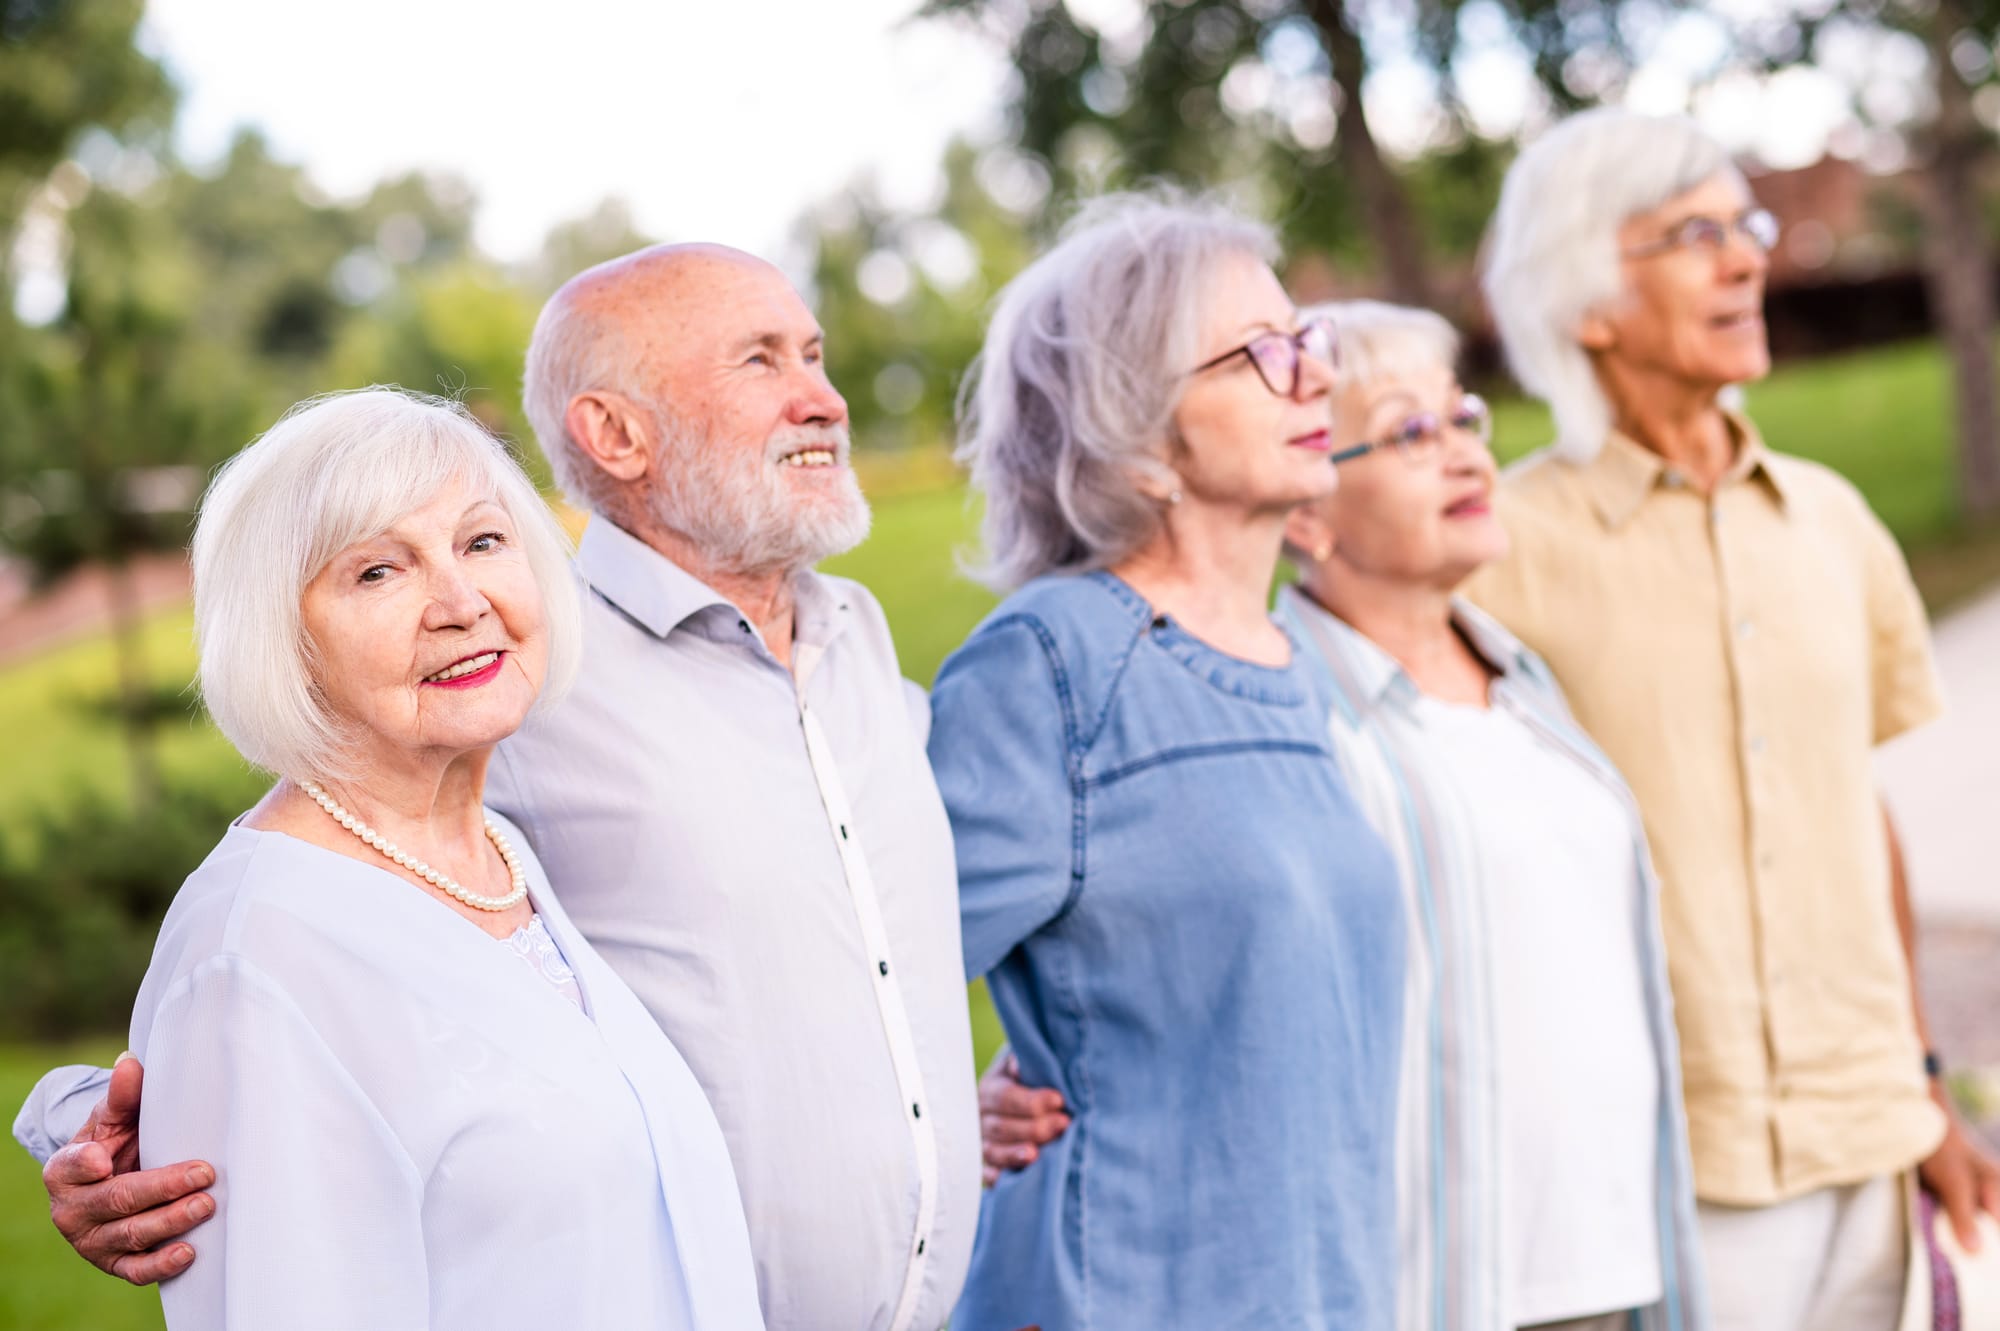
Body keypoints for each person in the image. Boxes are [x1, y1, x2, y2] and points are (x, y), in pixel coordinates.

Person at [18, 247, 980, 1331]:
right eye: (760, 359)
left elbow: (870, 951)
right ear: (614, 432)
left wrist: (942, 1130)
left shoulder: (861, 648)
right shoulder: (520, 696)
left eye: (812, 351)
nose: (824, 396)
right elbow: (283, 970)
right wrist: (99, 1124)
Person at [976, 298, 1711, 1331]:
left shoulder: (1523, 682)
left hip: (1616, 1271)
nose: (1463, 455)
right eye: (1411, 432)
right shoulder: (1275, 708)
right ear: (1310, 507)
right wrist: (1005, 1077)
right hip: (1430, 1287)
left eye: (1463, 418)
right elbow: (1167, 931)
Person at [1471, 107, 2000, 1330]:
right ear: (1585, 302)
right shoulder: (1496, 556)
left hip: (1872, 1142)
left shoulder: (1831, 521)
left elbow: (1850, 810)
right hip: (1659, 1172)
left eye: (1745, 222)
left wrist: (1922, 1087)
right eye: (1693, 233)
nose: (1747, 257)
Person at [96, 387, 762, 1328]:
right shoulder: (257, 956)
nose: (461, 602)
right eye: (378, 572)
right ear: (284, 643)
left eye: (483, 542)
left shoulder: (496, 851)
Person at [926, 192, 1406, 1331]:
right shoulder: (1050, 665)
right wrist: (944, 1108)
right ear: (1132, 425)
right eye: (1259, 355)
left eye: (1308, 340)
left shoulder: (1302, 663)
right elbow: (857, 1001)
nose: (1311, 378)